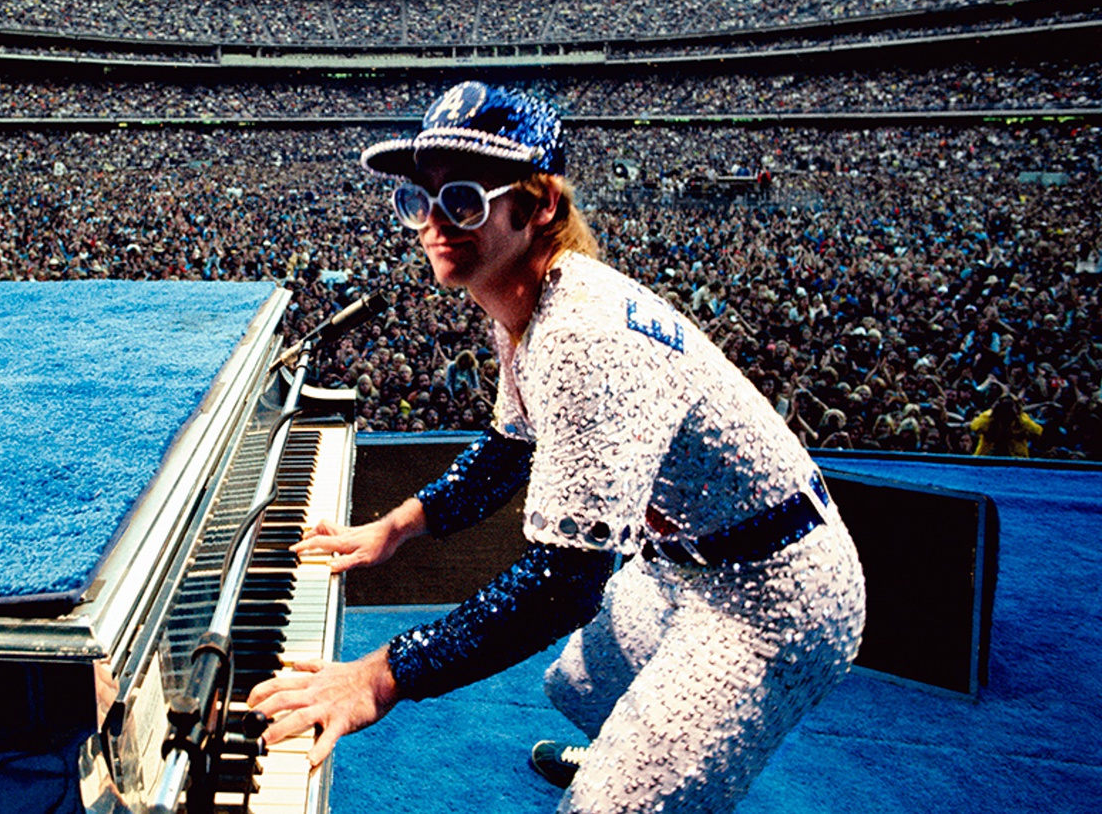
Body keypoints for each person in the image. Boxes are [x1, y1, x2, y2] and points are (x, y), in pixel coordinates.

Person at [249, 81, 866, 813]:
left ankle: (645, 782)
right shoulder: (519, 298)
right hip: (682, 562)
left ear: (538, 205)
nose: (435, 226)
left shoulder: (581, 333)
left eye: (465, 202)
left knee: (606, 807)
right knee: (573, 685)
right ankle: (640, 755)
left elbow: (564, 583)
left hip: (773, 593)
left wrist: (383, 674)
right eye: (422, 201)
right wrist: (398, 526)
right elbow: (508, 448)